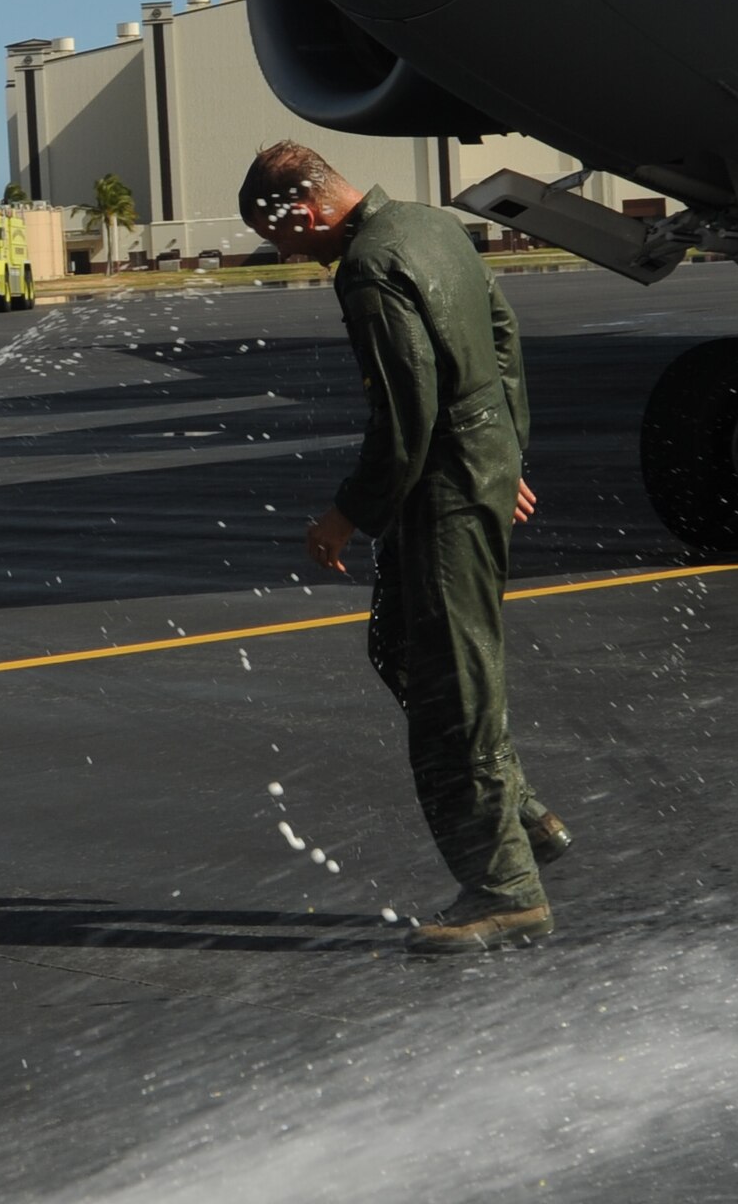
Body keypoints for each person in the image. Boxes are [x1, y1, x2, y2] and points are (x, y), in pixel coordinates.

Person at [238, 143, 567, 956]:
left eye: (281, 240)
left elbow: (405, 416)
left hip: (443, 492)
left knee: (449, 688)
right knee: (399, 649)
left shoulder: (369, 269)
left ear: (306, 212)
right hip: (474, 467)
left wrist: (346, 516)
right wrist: (506, 452)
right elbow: (501, 336)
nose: (288, 256)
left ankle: (504, 889)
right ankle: (519, 810)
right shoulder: (429, 225)